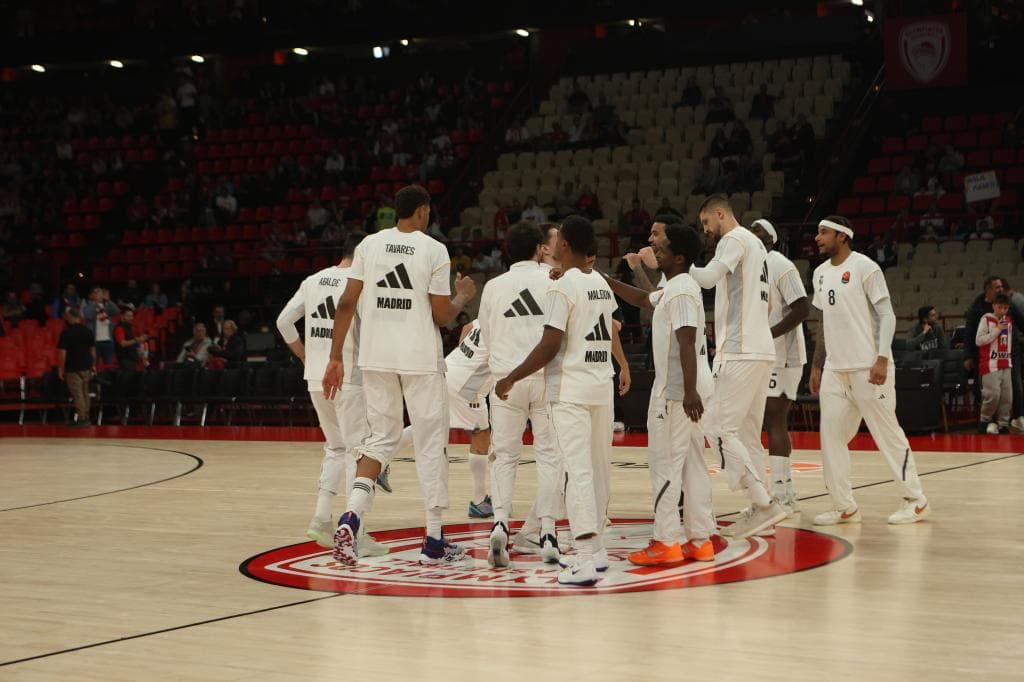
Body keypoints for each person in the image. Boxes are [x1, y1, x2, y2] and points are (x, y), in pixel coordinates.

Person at [323, 185, 477, 566]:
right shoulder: (433, 249)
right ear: (423, 212)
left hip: (375, 357)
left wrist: (334, 358)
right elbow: (442, 316)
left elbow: (345, 302)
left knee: (380, 440)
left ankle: (351, 517)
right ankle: (434, 541)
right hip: (420, 359)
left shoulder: (369, 246)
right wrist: (462, 298)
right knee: (430, 443)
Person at [493, 215, 621, 586]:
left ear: (564, 245)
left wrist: (511, 377)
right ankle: (596, 554)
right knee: (597, 472)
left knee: (578, 474)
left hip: (572, 391)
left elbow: (550, 345)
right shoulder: (599, 281)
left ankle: (582, 559)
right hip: (600, 385)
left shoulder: (563, 287)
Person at [603, 223, 718, 565]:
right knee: (693, 465)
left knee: (664, 463)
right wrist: (603, 280)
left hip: (677, 391)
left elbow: (686, 340)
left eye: (664, 249)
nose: (658, 252)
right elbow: (642, 298)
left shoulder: (682, 291)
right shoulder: (676, 286)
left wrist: (689, 391)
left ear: (679, 257)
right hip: (687, 388)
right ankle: (700, 539)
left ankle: (666, 540)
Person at [277, 231, 392, 558]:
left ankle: (321, 518)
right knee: (356, 453)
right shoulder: (358, 285)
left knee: (335, 447)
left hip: (315, 377)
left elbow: (284, 322)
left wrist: (303, 355)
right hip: (348, 377)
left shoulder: (313, 280)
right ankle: (356, 531)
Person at [809, 216, 930, 525]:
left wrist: (881, 358)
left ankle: (916, 500)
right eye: (817, 232)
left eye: (824, 232)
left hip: (868, 366)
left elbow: (887, 315)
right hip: (836, 369)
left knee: (887, 434)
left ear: (843, 236)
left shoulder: (866, 267)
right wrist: (818, 364)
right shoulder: (820, 274)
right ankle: (844, 506)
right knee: (831, 437)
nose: (817, 238)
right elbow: (823, 323)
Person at [689, 195, 787, 538]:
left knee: (716, 426)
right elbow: (770, 301)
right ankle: (760, 506)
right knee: (747, 433)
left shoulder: (733, 240)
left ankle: (763, 502)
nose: (705, 230)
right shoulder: (759, 249)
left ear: (720, 214)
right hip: (762, 349)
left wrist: (679, 268)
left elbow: (706, 279)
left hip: (740, 349)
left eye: (705, 223)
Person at [477, 222, 563, 565]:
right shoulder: (554, 279)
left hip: (505, 380)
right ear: (539, 247)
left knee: (505, 456)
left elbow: (485, 335)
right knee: (548, 456)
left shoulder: (493, 287)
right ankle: (548, 533)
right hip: (545, 377)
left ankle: (499, 523)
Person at [749, 218, 809, 514]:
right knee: (756, 422)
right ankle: (768, 492)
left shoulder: (781, 264)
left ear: (771, 239)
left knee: (774, 418)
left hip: (784, 354)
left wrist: (768, 334)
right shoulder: (748, 265)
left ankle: (784, 492)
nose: (753, 235)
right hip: (757, 353)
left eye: (758, 232)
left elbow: (802, 308)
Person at [443, 318, 495, 519]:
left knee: (432, 426)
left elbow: (467, 327)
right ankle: (480, 500)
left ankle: (381, 461)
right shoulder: (511, 324)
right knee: (481, 434)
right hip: (466, 386)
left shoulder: (493, 311)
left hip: (449, 368)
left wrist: (465, 362)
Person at [976, 293, 1013, 434]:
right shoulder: (986, 319)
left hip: (1006, 363)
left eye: (1005, 308)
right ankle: (984, 420)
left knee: (1007, 397)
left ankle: (1003, 424)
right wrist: (997, 330)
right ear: (993, 306)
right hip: (990, 364)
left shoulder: (1008, 320)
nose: (1003, 310)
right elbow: (978, 341)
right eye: (1000, 307)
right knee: (992, 395)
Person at [57, 308, 95, 428]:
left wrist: (60, 369)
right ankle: (86, 416)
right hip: (86, 368)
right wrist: (92, 365)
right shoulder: (88, 331)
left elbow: (63, 353)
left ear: (71, 316)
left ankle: (82, 418)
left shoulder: (66, 332)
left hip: (73, 368)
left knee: (78, 394)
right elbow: (93, 351)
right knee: (85, 392)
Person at [82, 287, 119, 368]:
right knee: (93, 365)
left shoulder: (106, 307)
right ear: (92, 295)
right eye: (96, 292)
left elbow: (116, 311)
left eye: (99, 292)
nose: (98, 294)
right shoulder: (88, 307)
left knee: (108, 366)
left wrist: (108, 300)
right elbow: (88, 315)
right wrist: (96, 303)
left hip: (107, 341)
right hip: (94, 343)